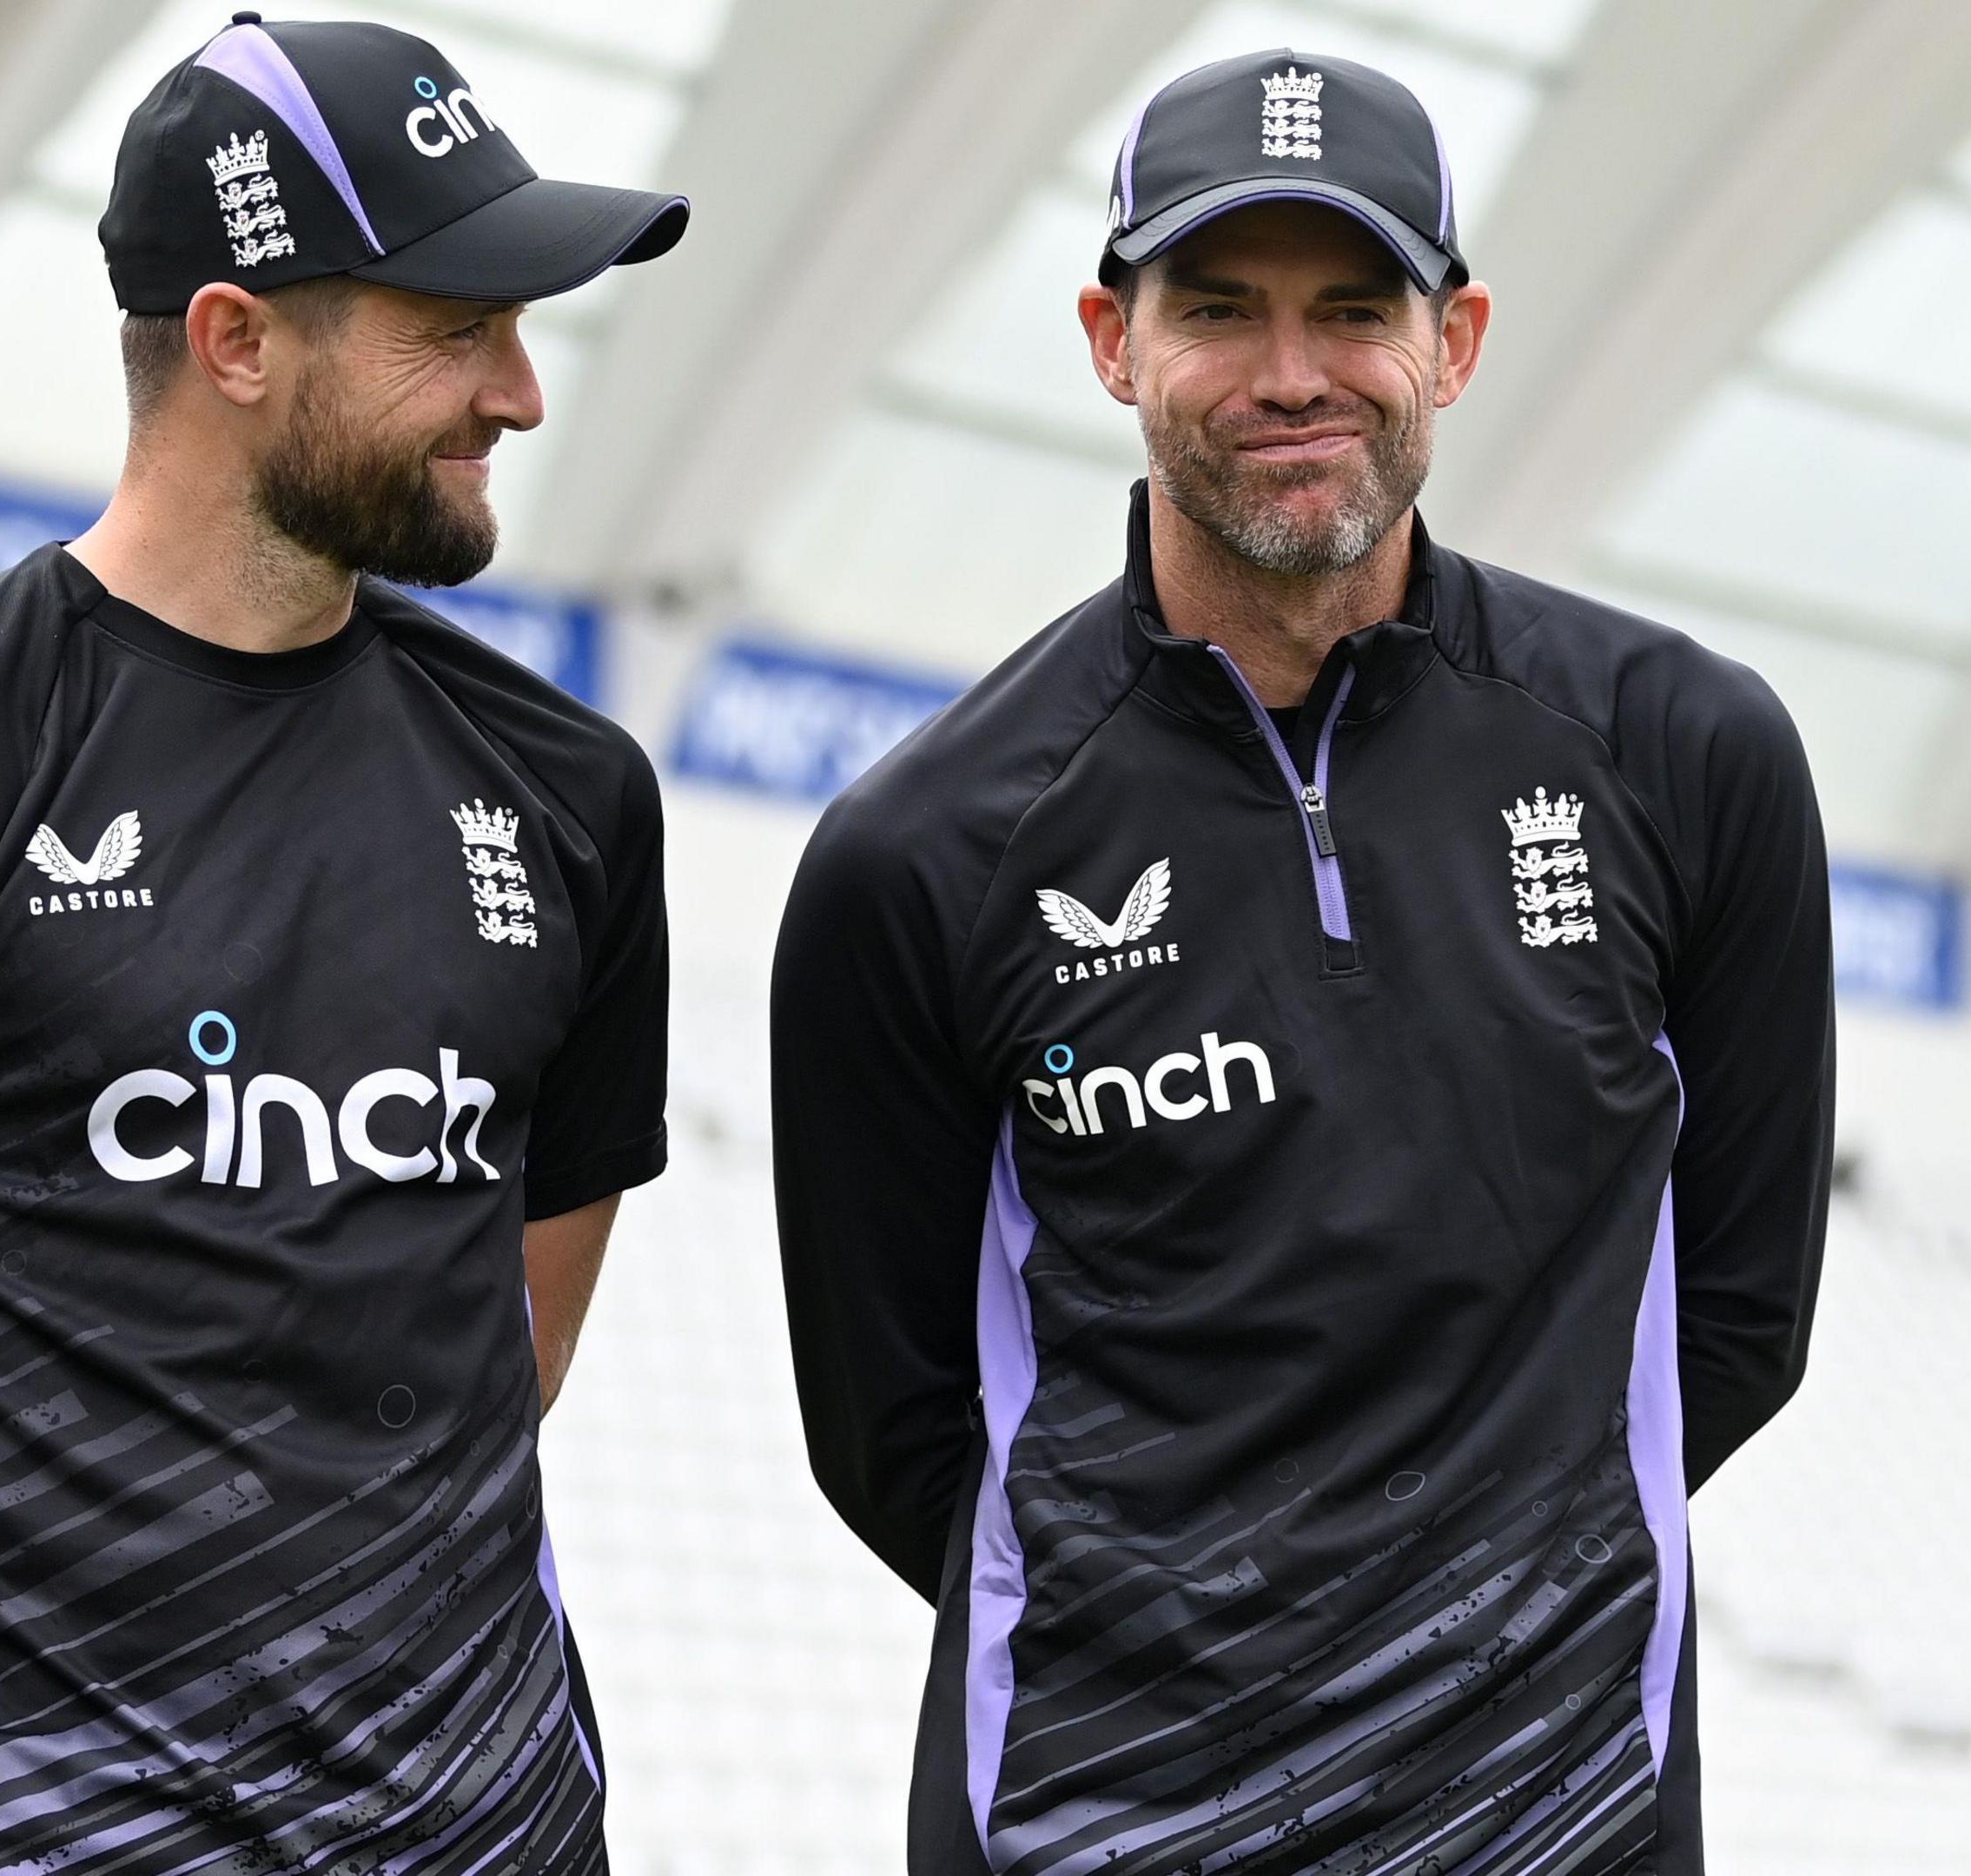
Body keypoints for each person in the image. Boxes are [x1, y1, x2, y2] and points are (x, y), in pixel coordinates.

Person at [770, 47, 1833, 1876]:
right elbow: (893, 1432)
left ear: (1459, 339)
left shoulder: (1684, 754)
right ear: (1112, 340)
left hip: (1557, 1808)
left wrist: (1472, 1605)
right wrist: (1192, 1635)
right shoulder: (926, 851)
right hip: (1094, 1816)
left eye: (1356, 308)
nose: (1290, 375)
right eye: (1216, 310)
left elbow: (1739, 1318)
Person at [0, 16, 685, 1872]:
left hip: (500, 1831)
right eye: (455, 326)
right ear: (234, 339)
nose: (524, 394)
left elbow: (510, 1345)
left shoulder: (569, 793)